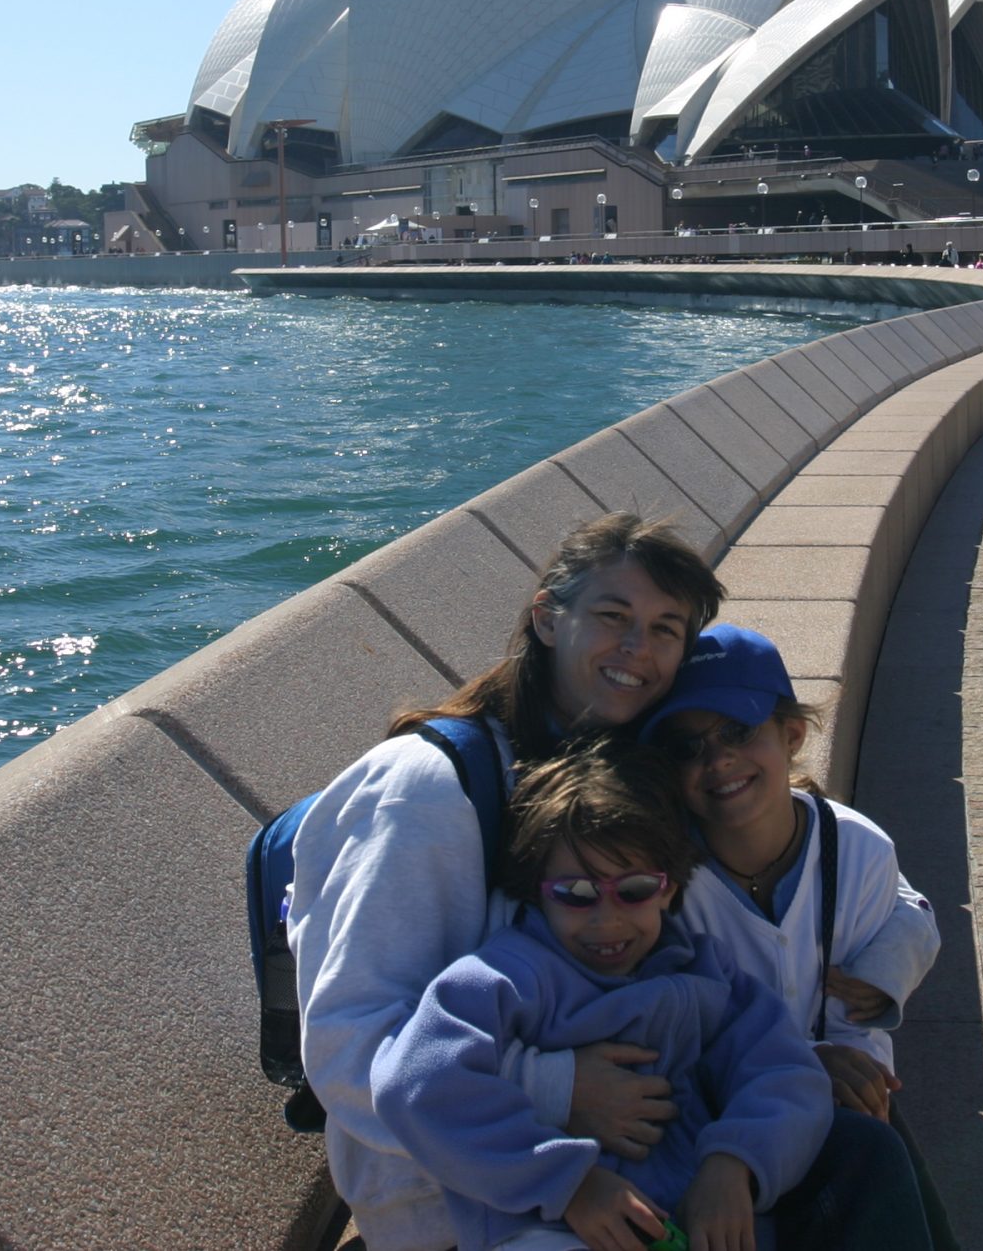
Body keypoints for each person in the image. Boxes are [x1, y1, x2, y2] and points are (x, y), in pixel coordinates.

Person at [290, 514, 725, 1251]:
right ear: (548, 617)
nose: (636, 650)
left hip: (617, 1175)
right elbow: (345, 1050)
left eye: (664, 629)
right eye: (613, 616)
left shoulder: (612, 777)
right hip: (450, 1211)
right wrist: (559, 1089)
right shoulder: (426, 793)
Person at [374, 740, 835, 1251]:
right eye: (576, 894)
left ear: (670, 887)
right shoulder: (507, 976)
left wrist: (734, 1164)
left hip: (687, 1220)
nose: (606, 919)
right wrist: (568, 1182)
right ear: (536, 889)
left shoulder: (704, 972)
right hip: (549, 1228)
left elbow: (786, 1071)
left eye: (634, 889)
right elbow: (415, 1082)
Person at [647, 626, 951, 1249]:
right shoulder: (662, 879)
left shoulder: (858, 850)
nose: (718, 760)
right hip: (714, 1118)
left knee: (868, 1133)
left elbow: (854, 1028)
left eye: (738, 732)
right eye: (687, 747)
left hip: (837, 1111)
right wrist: (807, 1066)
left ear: (791, 735)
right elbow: (674, 1033)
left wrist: (837, 1066)